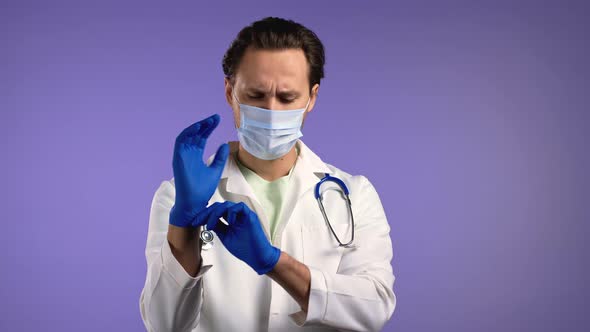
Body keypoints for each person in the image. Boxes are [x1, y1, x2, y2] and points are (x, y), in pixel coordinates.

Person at [139, 16, 396, 332]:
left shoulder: (354, 195)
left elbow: (374, 308)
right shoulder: (177, 196)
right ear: (230, 90)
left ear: (312, 98)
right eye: (256, 95)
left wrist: (275, 263)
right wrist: (183, 230)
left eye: (287, 98)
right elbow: (164, 326)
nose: (272, 112)